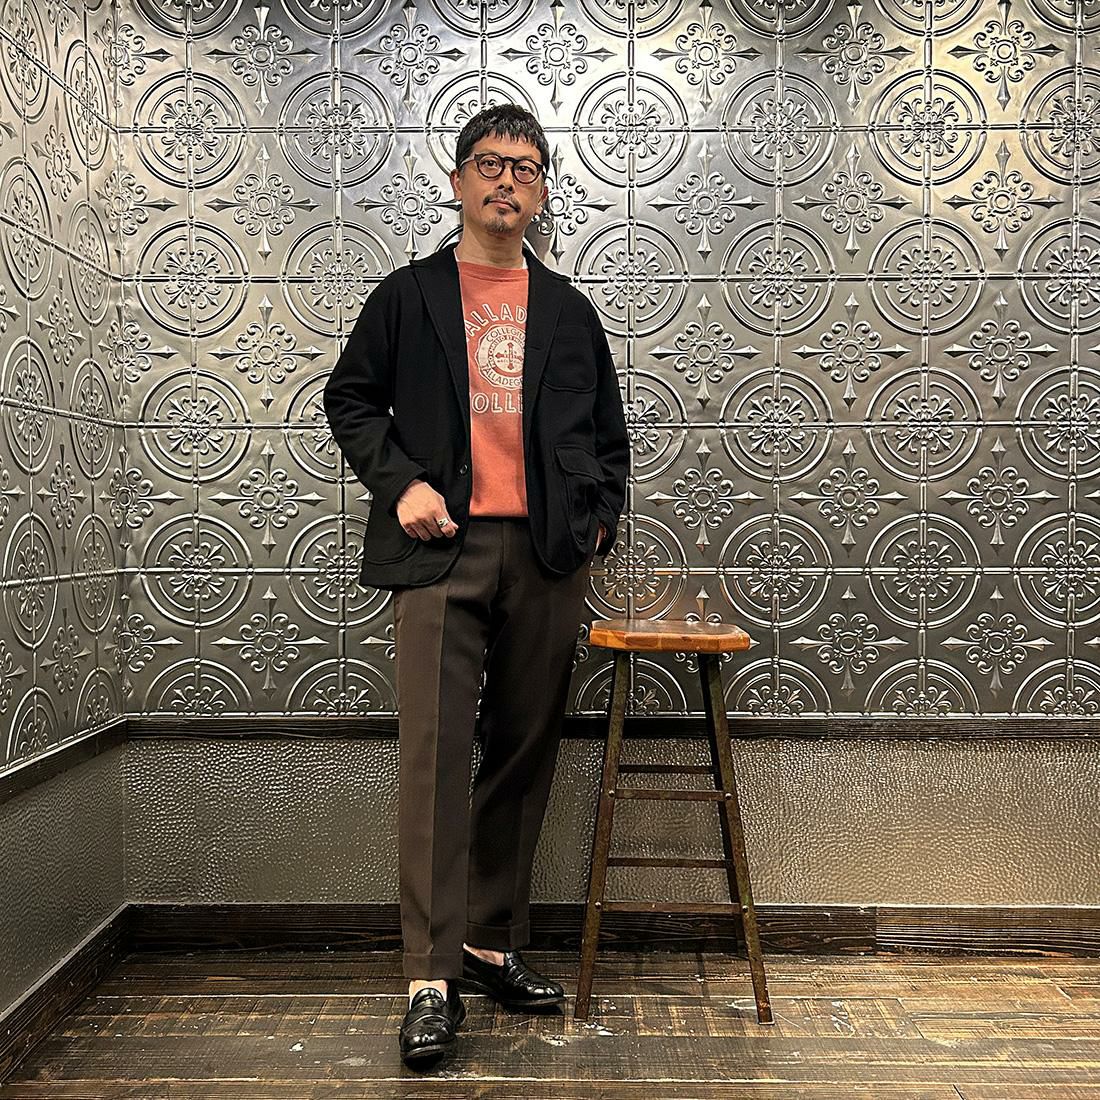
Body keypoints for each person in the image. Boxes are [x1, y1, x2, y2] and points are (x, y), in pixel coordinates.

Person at [323, 104, 629, 1069]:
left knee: (524, 749)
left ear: (542, 194)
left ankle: (491, 942)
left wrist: (596, 519)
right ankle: (428, 976)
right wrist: (402, 485)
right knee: (435, 756)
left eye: (526, 168)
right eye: (490, 164)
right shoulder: (408, 297)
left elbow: (608, 437)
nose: (507, 181)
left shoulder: (569, 311)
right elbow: (349, 399)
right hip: (440, 553)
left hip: (544, 559)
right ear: (457, 182)